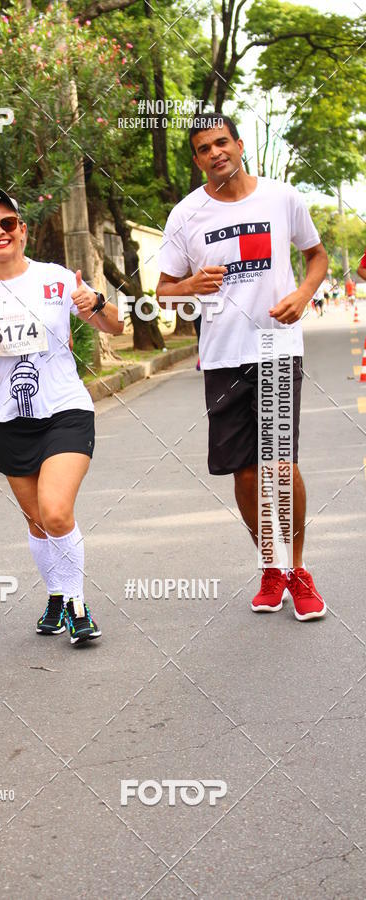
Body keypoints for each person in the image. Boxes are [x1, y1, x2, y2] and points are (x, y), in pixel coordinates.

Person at [156, 114, 329, 621]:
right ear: (197, 159)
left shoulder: (281, 198)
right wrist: (189, 286)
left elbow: (316, 257)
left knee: (279, 464)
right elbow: (163, 291)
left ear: (239, 145)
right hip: (223, 355)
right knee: (247, 473)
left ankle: (298, 570)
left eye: (222, 142)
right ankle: (270, 565)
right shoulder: (186, 215)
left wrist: (301, 295)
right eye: (204, 148)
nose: (215, 153)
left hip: (276, 345)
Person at [0, 187, 123, 644]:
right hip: (10, 417)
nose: (0, 232)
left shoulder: (58, 278)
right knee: (37, 522)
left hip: (65, 409)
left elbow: (115, 326)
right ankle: (56, 595)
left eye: (8, 224)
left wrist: (95, 304)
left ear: (23, 230)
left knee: (56, 511)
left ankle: (79, 606)